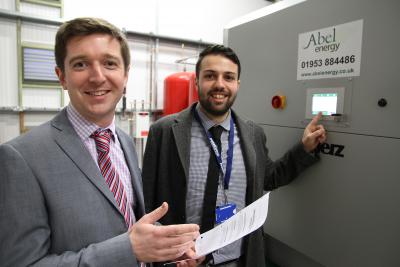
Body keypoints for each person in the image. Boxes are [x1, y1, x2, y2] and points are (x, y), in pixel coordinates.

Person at [0, 17, 200, 267]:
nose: (97, 77)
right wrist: (129, 250)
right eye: (81, 64)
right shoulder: (21, 158)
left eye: (109, 63)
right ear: (61, 77)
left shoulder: (124, 142)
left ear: (125, 75)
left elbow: (127, 224)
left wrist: (170, 249)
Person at [142, 44, 327, 266]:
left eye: (228, 77)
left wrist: (304, 148)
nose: (220, 84)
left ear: (237, 84)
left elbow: (269, 177)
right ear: (196, 81)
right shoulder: (164, 131)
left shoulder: (253, 133)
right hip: (181, 261)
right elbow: (146, 202)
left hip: (238, 260)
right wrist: (168, 252)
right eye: (210, 76)